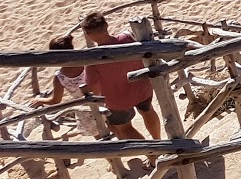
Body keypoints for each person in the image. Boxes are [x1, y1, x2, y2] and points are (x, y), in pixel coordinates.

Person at [80, 13, 161, 141]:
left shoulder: (92, 58)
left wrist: (100, 106)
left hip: (116, 100)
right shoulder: (127, 38)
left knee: (125, 128)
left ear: (88, 34)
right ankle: (158, 141)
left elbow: (92, 87)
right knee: (148, 111)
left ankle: (152, 154)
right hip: (141, 89)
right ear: (106, 25)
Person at [32, 34, 109, 139]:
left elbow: (55, 100)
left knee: (100, 136)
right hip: (103, 99)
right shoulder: (86, 62)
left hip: (84, 109)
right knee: (115, 127)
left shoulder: (60, 77)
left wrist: (42, 100)